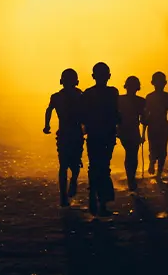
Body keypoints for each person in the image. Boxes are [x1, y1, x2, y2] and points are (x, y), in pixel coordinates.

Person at [81, 62, 121, 216]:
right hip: (107, 134)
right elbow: (115, 112)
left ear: (93, 76)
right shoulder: (113, 92)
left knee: (95, 166)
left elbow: (83, 114)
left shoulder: (88, 93)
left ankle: (93, 198)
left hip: (95, 134)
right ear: (109, 76)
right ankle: (102, 202)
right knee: (104, 166)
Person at [43, 68, 84, 207]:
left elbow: (49, 110)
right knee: (73, 163)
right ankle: (70, 186)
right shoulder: (80, 95)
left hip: (66, 134)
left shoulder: (57, 97)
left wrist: (47, 125)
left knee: (65, 165)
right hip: (74, 134)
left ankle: (64, 194)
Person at [118, 76, 146, 192]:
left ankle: (131, 178)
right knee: (132, 154)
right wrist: (143, 135)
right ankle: (131, 179)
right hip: (131, 130)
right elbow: (144, 120)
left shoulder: (119, 99)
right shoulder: (141, 101)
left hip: (125, 130)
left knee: (130, 154)